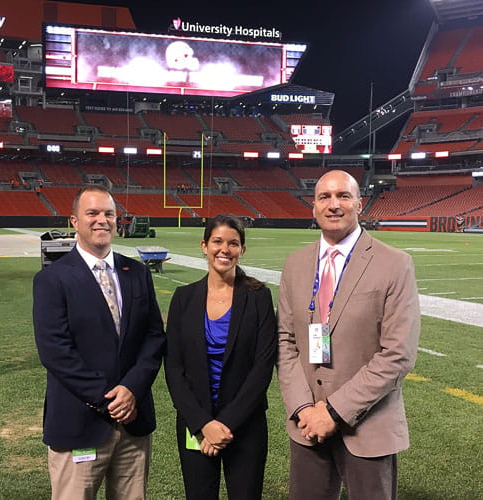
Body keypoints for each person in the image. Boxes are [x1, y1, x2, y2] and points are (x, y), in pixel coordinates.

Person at [277, 170, 420, 500]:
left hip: (367, 428)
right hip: (306, 427)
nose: (333, 204)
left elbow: (398, 354)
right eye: (325, 197)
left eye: (343, 196)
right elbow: (286, 343)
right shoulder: (296, 264)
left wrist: (333, 412)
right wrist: (303, 409)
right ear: (313, 207)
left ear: (359, 203)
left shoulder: (395, 264)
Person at [33, 185, 165, 500]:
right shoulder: (53, 278)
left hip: (133, 424)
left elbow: (154, 337)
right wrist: (108, 400)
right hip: (80, 422)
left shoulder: (135, 272)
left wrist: (132, 389)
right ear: (74, 222)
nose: (101, 220)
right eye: (92, 213)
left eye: (109, 214)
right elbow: (55, 352)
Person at [165, 213, 277, 499]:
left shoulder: (259, 297)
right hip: (196, 424)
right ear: (204, 245)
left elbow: (262, 368)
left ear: (242, 249)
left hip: (245, 424)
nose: (224, 250)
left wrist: (225, 425)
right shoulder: (184, 298)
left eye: (233, 243)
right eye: (217, 241)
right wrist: (203, 424)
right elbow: (174, 370)